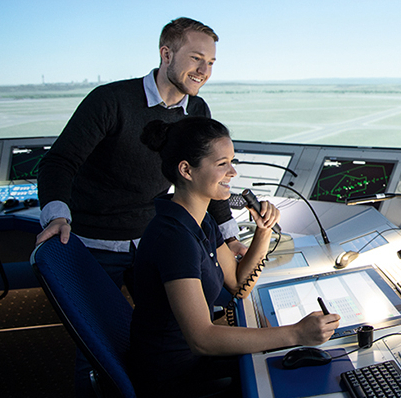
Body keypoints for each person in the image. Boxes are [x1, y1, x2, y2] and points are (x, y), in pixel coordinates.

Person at [36, 17, 248, 298]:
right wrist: (56, 218)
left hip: (152, 238)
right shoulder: (111, 100)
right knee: (98, 334)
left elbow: (205, 176)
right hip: (94, 241)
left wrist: (230, 237)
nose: (203, 71)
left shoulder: (196, 108)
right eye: (196, 58)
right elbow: (59, 162)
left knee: (163, 331)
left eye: (210, 62)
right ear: (166, 54)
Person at [130, 117, 340, 396]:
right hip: (175, 378)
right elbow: (202, 339)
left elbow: (238, 285)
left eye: (232, 162)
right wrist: (296, 334)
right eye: (222, 164)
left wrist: (263, 233)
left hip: (194, 363)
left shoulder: (201, 220)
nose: (233, 173)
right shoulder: (173, 238)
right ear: (186, 170)